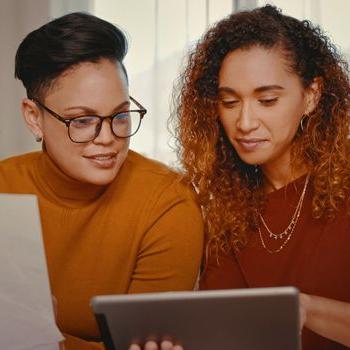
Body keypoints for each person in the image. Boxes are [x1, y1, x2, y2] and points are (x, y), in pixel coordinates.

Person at [0, 12, 204, 350]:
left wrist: (38, 336)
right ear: (34, 118)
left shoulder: (168, 202)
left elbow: (140, 346)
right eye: (82, 121)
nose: (109, 137)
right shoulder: (4, 187)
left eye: (121, 116)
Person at [172, 4, 350, 350]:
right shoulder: (222, 201)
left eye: (267, 100)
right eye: (229, 102)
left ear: (311, 96)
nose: (245, 122)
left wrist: (305, 309)